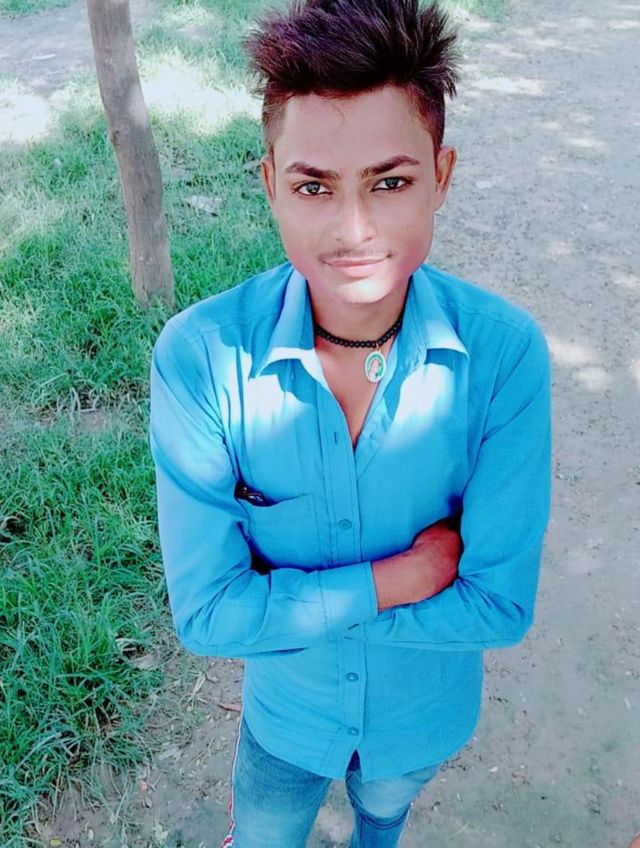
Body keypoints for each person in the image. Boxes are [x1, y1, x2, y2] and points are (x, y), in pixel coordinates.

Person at [148, 0, 552, 845]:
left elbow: (498, 607)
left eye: (390, 182)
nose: (354, 228)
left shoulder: (502, 356)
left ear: (442, 176)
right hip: (286, 723)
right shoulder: (202, 359)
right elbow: (208, 615)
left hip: (420, 721)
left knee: (383, 820)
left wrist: (283, 605)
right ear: (270, 184)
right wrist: (402, 578)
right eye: (314, 186)